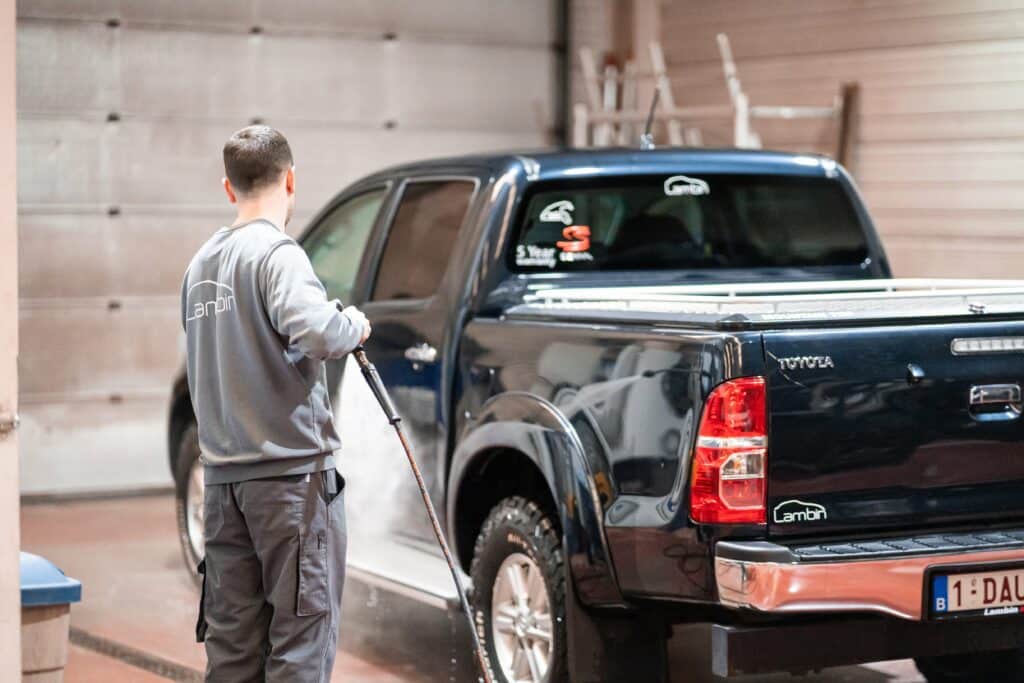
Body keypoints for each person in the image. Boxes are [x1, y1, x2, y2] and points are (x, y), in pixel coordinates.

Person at [181, 125, 370, 682]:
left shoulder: (199, 268)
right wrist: (353, 325)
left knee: (233, 649)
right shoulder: (277, 254)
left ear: (228, 188)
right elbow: (318, 332)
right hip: (290, 488)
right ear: (291, 180)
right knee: (300, 645)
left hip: (223, 487)